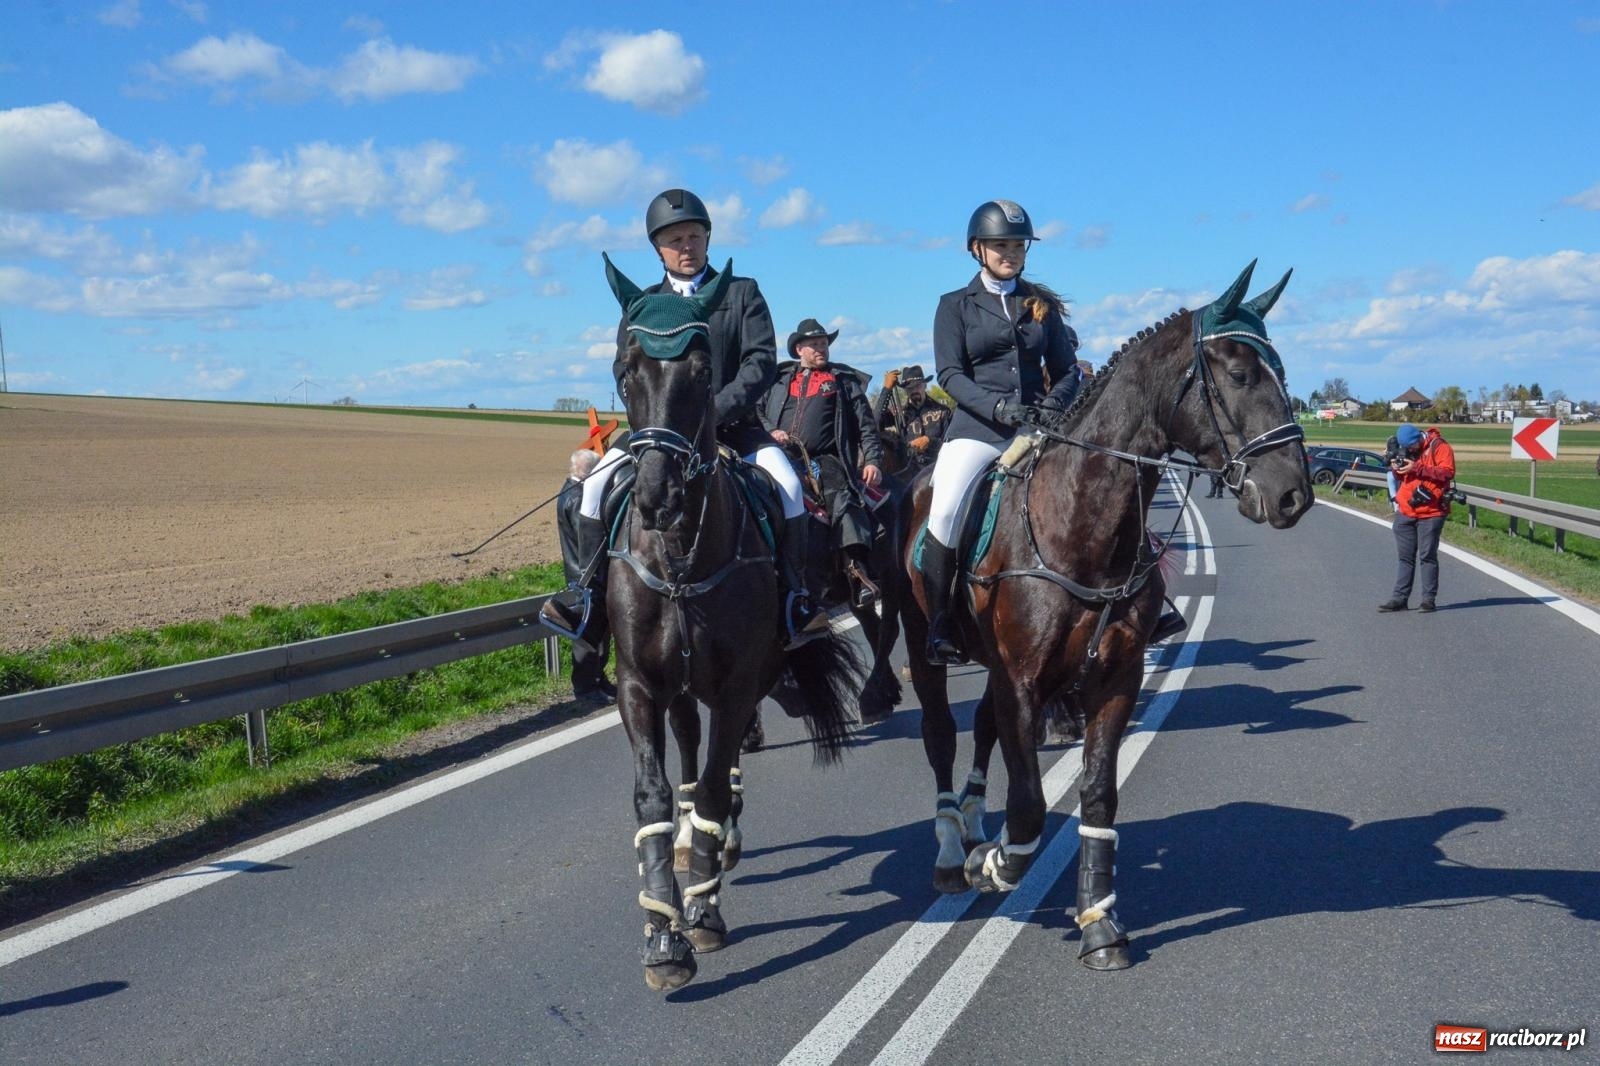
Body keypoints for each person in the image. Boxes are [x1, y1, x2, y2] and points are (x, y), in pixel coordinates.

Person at [540, 188, 829, 648]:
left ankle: (796, 599)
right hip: (657, 435)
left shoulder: (741, 292)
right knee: (587, 491)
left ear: (707, 239)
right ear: (658, 248)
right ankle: (585, 601)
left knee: (791, 490)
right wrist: (656, 417)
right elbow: (624, 368)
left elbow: (759, 363)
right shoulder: (643, 303)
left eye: (694, 236)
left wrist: (713, 413)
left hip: (733, 429)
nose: (686, 246)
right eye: (675, 239)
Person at [922, 199, 1082, 664]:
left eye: (1016, 244)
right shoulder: (954, 306)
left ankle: (1145, 597)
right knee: (946, 509)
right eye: (999, 245)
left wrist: (1050, 406)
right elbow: (949, 375)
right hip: (977, 428)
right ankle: (940, 622)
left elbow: (1067, 370)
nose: (1009, 252)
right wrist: (997, 407)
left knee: (1096, 484)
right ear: (977, 249)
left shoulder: (1040, 304)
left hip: (1036, 425)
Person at [761, 318, 886, 609]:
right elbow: (756, 411)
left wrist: (873, 460)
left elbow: (865, 425)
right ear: (799, 349)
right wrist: (770, 431)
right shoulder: (778, 379)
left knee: (841, 497)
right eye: (815, 344)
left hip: (825, 458)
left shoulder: (843, 380)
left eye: (824, 344)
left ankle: (856, 570)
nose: (821, 349)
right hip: (780, 456)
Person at [556, 450, 615, 702]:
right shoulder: (578, 499)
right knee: (587, 634)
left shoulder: (568, 491)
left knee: (597, 632)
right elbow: (588, 541)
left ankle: (598, 681)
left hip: (582, 575)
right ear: (589, 473)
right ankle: (586, 688)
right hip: (586, 577)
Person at [1378, 422, 1456, 614]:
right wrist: (1397, 467)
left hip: (1431, 512)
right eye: (1408, 448)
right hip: (1406, 510)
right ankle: (1399, 599)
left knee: (1427, 556)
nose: (1410, 450)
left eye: (1412, 447)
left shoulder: (1440, 446)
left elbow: (1447, 472)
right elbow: (1401, 476)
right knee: (1405, 558)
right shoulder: (1405, 449)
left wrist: (1417, 467)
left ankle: (1428, 600)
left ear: (1418, 439)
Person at [874, 364, 952, 474]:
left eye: (918, 386)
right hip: (907, 474)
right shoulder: (897, 413)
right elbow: (874, 425)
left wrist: (930, 442)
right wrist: (886, 390)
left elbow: (953, 444)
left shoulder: (943, 411)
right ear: (905, 390)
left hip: (938, 471)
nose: (914, 390)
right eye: (910, 388)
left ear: (925, 385)